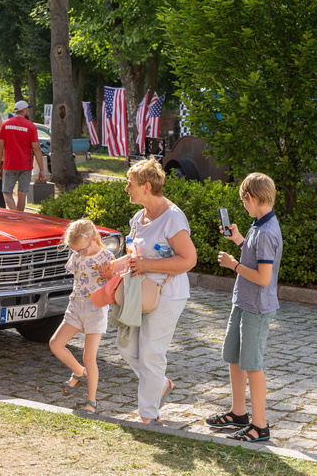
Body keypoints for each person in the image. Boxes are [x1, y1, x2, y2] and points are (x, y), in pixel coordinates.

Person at [118, 156, 197, 424]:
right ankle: (160, 383)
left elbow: (189, 260)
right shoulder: (139, 216)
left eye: (130, 184)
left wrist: (148, 265)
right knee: (125, 346)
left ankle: (148, 416)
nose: (127, 188)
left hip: (168, 295)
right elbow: (133, 255)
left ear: (147, 186)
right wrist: (110, 267)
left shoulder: (172, 218)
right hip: (139, 294)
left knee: (152, 353)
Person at [208, 172, 283, 443]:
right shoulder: (259, 225)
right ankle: (238, 413)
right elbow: (256, 259)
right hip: (244, 301)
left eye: (243, 201)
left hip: (257, 308)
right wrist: (239, 240)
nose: (243, 205)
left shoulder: (266, 232)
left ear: (250, 197)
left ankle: (259, 426)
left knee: (252, 365)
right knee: (235, 358)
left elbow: (263, 278)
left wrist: (234, 265)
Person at [49, 219, 114, 415]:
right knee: (55, 344)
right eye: (75, 250)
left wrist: (109, 275)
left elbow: (115, 283)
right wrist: (79, 253)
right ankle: (78, 372)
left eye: (82, 250)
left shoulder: (107, 257)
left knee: (89, 357)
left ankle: (91, 402)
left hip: (96, 309)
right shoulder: (77, 255)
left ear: (94, 239)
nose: (79, 253)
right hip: (76, 306)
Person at [0, 100, 44, 211]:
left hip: (9, 165)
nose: (29, 111)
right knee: (22, 193)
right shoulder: (31, 126)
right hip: (25, 165)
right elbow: (36, 149)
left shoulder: (5, 124)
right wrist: (41, 169)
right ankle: (19, 216)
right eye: (28, 109)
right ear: (24, 110)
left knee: (7, 193)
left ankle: (15, 215)